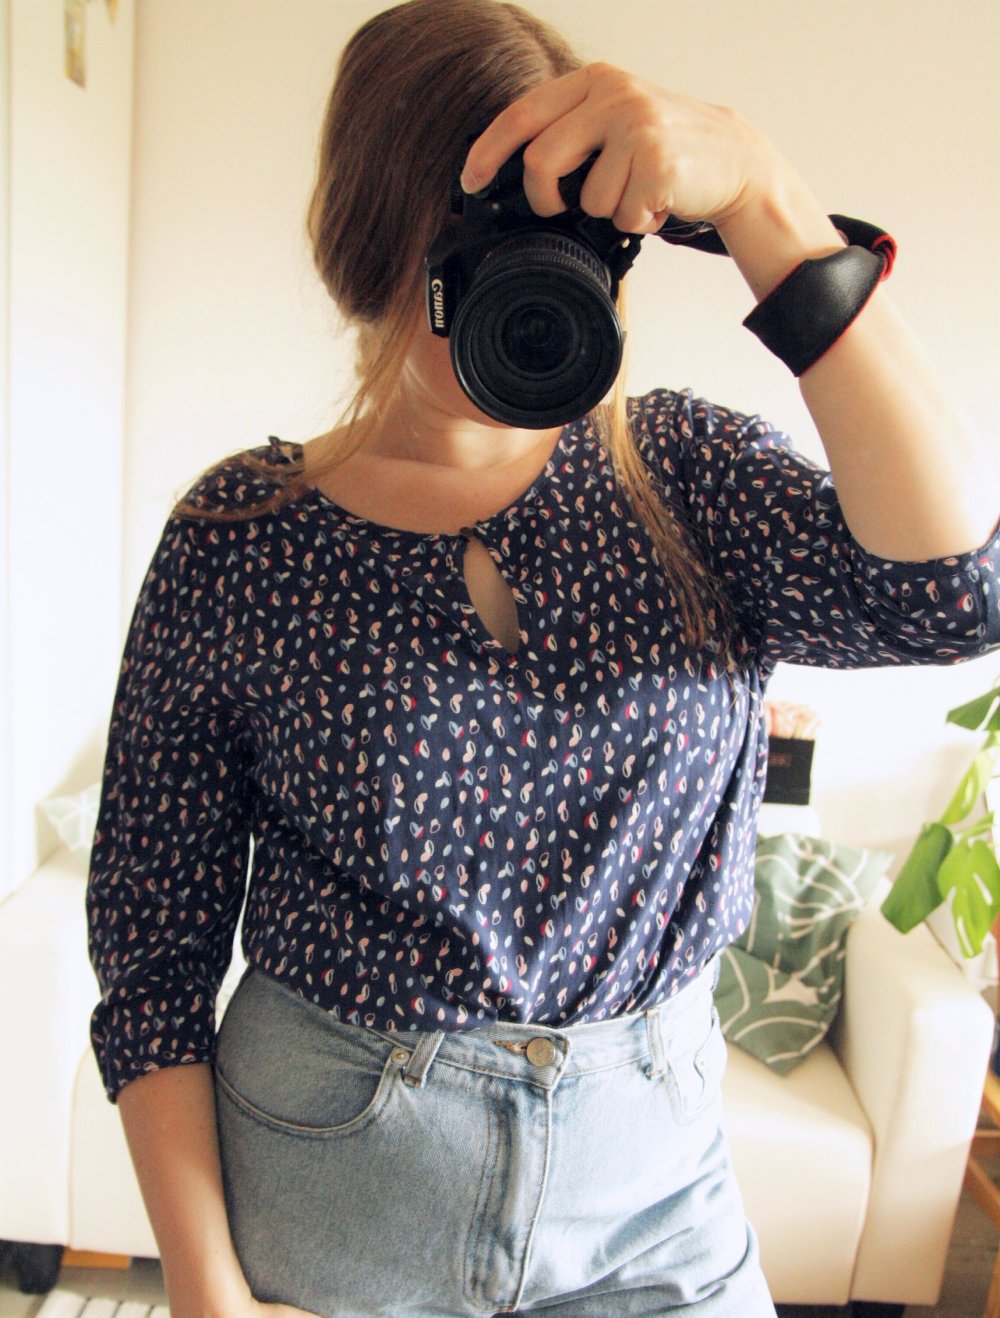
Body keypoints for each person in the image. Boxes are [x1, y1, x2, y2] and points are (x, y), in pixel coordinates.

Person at [86, 2, 1000, 1316]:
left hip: (655, 1194)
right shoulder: (245, 532)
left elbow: (956, 593)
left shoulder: (686, 479)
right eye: (479, 237)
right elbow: (151, 949)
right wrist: (204, 1288)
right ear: (369, 242)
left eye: (563, 235)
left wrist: (765, 197)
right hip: (335, 1175)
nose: (525, 281)